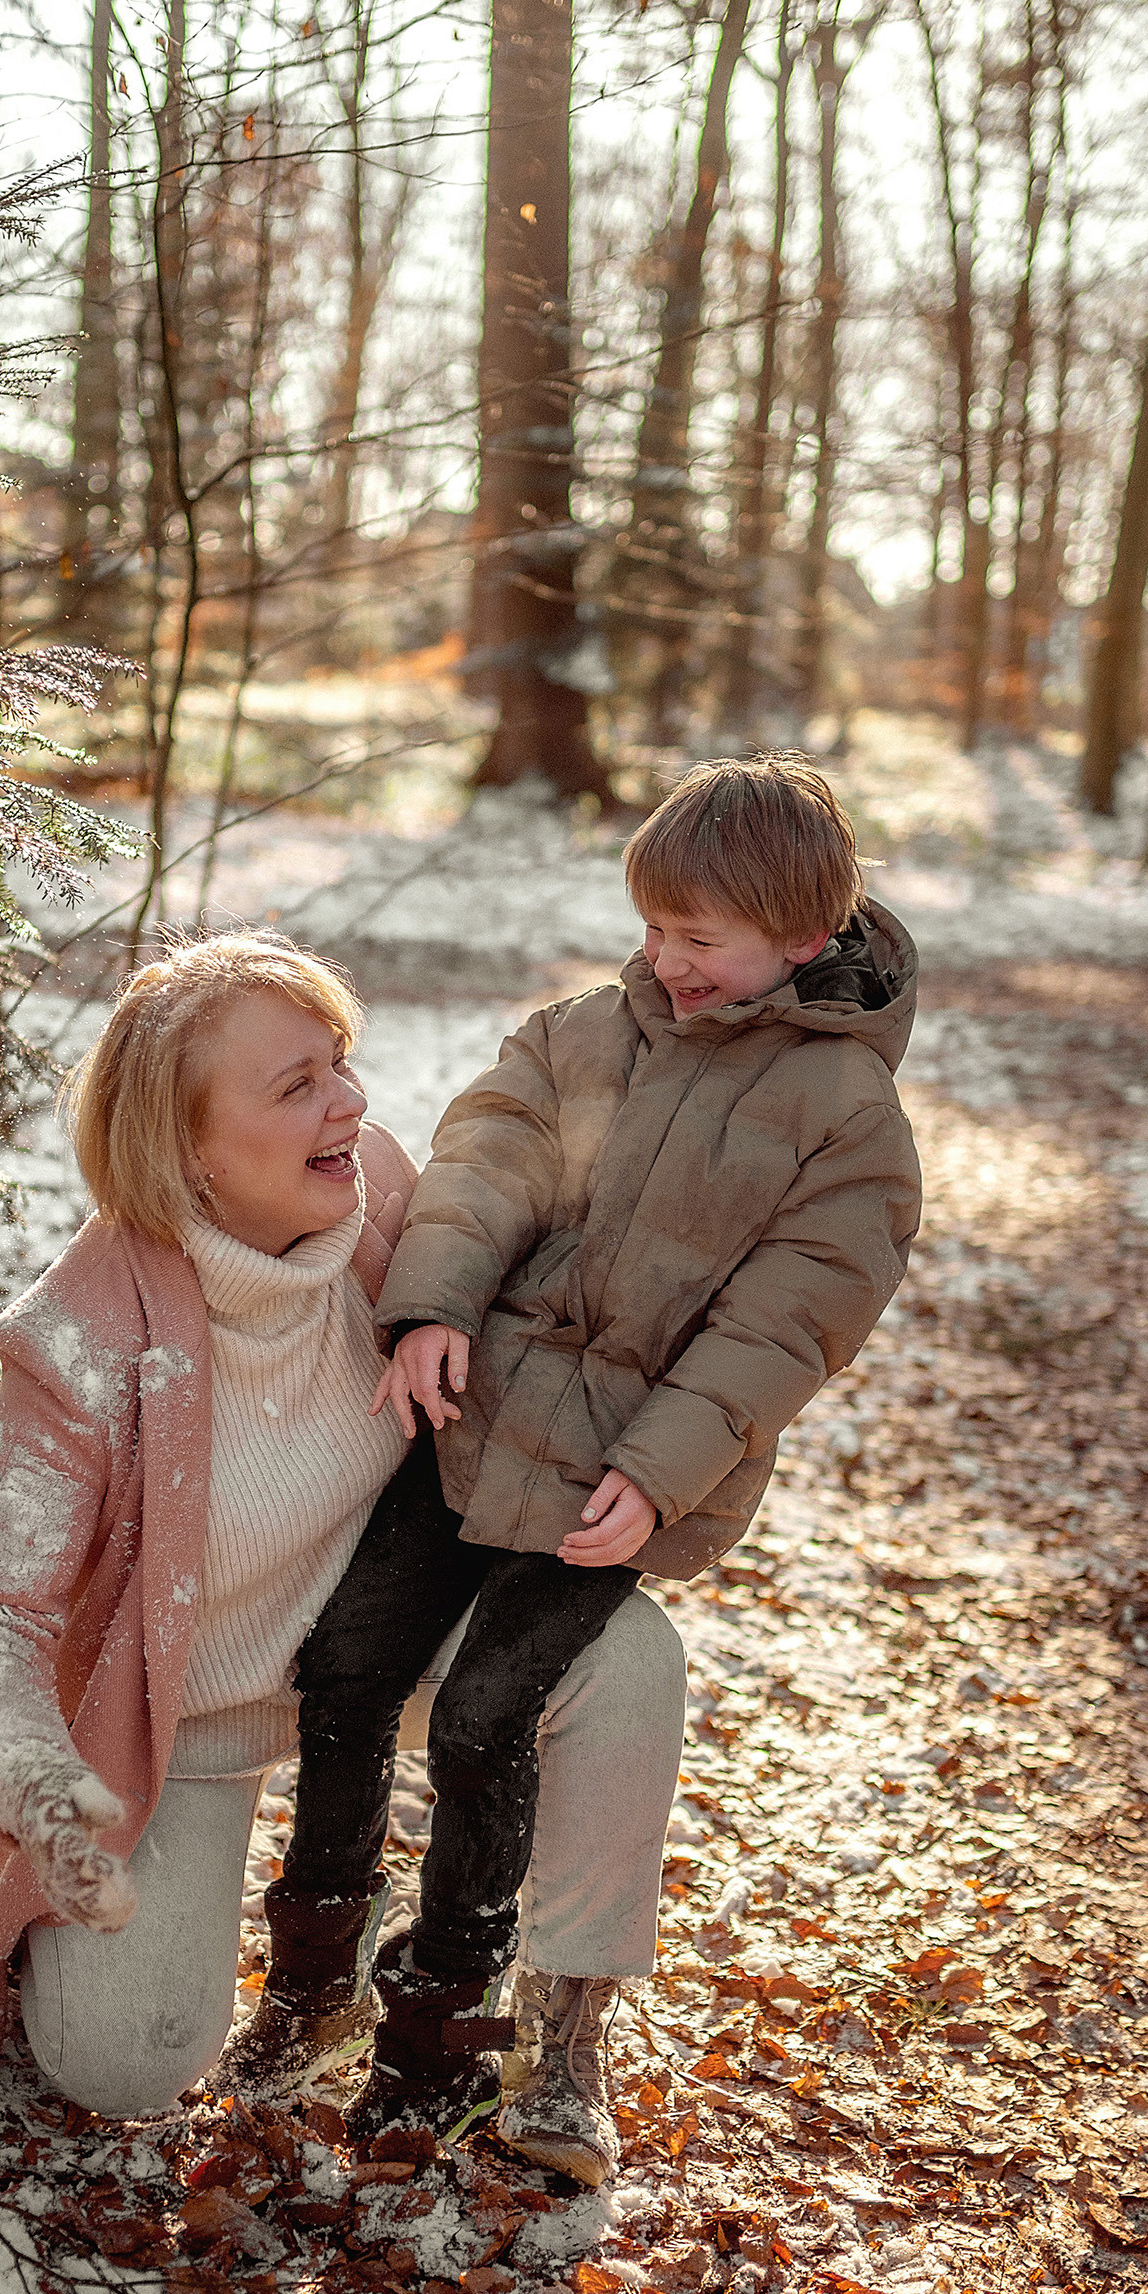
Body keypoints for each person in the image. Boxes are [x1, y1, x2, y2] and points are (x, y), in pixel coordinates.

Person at [0, 931, 688, 2184]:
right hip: (186, 1729)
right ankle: (118, 1913)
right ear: (189, 1154)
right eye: (296, 1086)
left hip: (374, 1655)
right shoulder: (82, 1339)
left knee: (624, 1654)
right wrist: (41, 1787)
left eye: (340, 1063)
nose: (353, 1102)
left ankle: (563, 2027)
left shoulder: (379, 1197)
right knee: (125, 2061)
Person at [258, 756, 923, 2147]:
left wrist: (663, 1472)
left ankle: (445, 2030)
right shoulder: (578, 1033)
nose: (664, 963)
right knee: (348, 1663)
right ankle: (311, 1976)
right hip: (474, 1427)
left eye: (700, 941)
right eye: (654, 929)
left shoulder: (848, 1119)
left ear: (806, 940)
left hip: (616, 1480)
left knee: (496, 1713)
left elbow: (785, 1327)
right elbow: (485, 1162)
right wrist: (429, 1307)